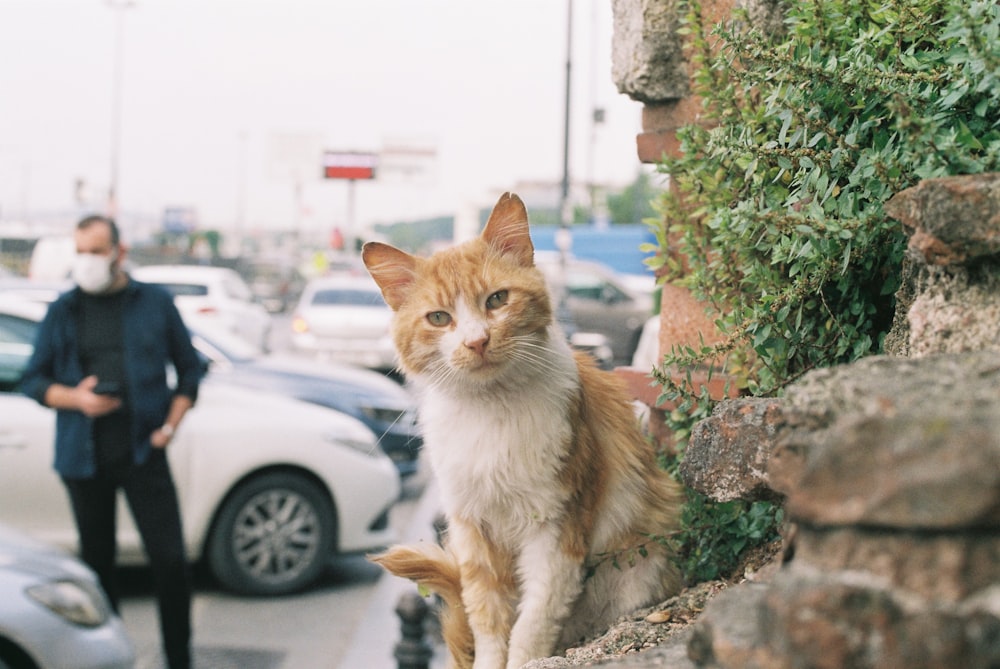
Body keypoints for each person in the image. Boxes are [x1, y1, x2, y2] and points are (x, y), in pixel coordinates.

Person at [21, 214, 201, 669]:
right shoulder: (64, 309)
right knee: (99, 569)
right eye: (80, 251)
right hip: (83, 458)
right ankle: (111, 659)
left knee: (170, 563)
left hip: (144, 451)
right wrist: (76, 398)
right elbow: (33, 380)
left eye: (96, 251)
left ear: (119, 252)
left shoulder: (154, 303)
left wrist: (170, 425)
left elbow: (190, 369)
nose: (87, 261)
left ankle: (179, 659)